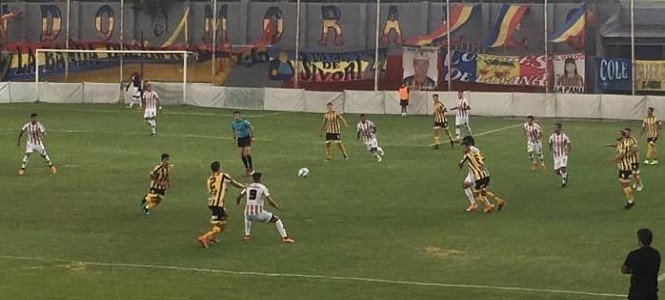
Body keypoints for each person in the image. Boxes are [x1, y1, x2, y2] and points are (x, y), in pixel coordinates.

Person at [235, 172, 294, 244]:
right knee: (276, 219)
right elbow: (270, 201)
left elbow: (238, 197)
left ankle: (247, 235)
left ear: (253, 179)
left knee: (247, 213)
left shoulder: (249, 186)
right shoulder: (262, 188)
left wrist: (237, 203)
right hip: (258, 214)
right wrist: (277, 207)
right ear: (260, 178)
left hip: (248, 214)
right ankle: (285, 238)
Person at [197, 161, 245, 248]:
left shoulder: (209, 179)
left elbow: (212, 190)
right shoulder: (223, 175)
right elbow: (234, 183)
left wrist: (224, 189)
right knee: (221, 226)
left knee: (222, 217)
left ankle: (212, 237)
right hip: (218, 204)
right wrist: (244, 187)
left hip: (211, 203)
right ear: (219, 168)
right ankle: (204, 237)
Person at [458, 137, 505, 213]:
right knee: (483, 192)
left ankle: (487, 207)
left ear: (467, 146)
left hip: (478, 176)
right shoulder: (477, 152)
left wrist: (462, 164)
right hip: (485, 173)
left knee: (476, 194)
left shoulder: (467, 154)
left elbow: (460, 163)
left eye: (463, 147)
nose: (462, 149)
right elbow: (483, 157)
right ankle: (498, 200)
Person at [622, 228, 660, 300]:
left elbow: (624, 269)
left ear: (640, 241)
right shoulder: (656, 254)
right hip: (651, 294)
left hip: (636, 294)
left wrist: (633, 271)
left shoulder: (633, 255)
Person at [610, 130, 635, 209]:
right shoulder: (621, 143)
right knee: (623, 185)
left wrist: (613, 159)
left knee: (625, 185)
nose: (617, 136)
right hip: (622, 167)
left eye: (619, 134)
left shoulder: (624, 144)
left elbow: (621, 154)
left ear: (623, 136)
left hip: (625, 168)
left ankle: (630, 201)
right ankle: (630, 200)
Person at [231, 111, 255, 176]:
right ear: (233, 117)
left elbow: (251, 127)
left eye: (237, 116)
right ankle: (246, 168)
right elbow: (233, 130)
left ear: (240, 116)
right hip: (240, 139)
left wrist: (252, 137)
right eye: (235, 116)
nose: (236, 117)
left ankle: (251, 168)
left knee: (246, 153)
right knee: (242, 154)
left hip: (246, 138)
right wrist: (234, 138)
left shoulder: (245, 122)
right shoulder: (233, 123)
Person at [548, 123, 571, 188]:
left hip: (563, 155)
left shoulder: (564, 136)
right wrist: (552, 150)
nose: (554, 129)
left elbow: (569, 145)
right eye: (554, 127)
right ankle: (565, 175)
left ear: (560, 128)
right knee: (557, 171)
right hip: (556, 156)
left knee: (563, 168)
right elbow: (550, 144)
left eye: (556, 127)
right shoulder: (552, 136)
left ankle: (563, 183)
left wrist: (567, 151)